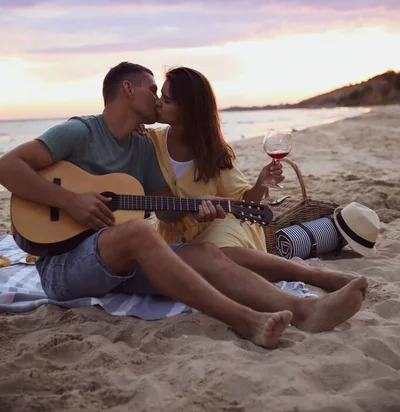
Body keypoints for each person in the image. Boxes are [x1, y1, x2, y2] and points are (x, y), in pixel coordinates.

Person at [0, 61, 367, 346]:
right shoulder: (80, 131)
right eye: (152, 89)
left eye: (163, 93)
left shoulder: (143, 146)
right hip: (63, 268)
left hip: (114, 266)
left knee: (206, 251)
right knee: (138, 233)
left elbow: (166, 209)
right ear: (128, 89)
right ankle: (243, 319)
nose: (157, 98)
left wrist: (197, 206)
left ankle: (306, 310)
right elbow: (7, 166)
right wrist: (71, 200)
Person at [147, 66, 359, 293]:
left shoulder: (215, 151)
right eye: (160, 96)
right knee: (202, 266)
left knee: (215, 251)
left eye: (166, 100)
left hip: (223, 226)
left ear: (189, 110)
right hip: (176, 240)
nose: (158, 102)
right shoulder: (149, 142)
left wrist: (262, 183)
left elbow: (246, 202)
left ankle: (310, 274)